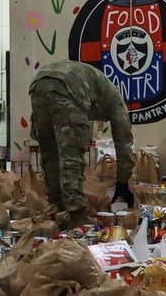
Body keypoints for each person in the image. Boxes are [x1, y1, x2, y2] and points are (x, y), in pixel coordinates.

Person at [29, 60, 135, 228]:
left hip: (39, 84)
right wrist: (123, 184)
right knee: (71, 157)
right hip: (68, 87)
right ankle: (77, 217)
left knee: (49, 153)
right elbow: (124, 144)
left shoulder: (100, 87)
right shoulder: (116, 102)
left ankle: (57, 211)